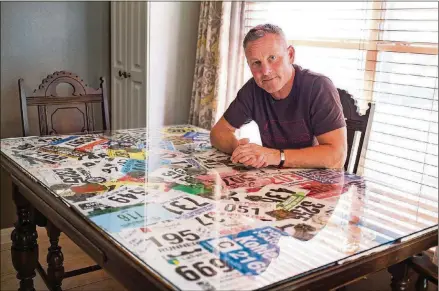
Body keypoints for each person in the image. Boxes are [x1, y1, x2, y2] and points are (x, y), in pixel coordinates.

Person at [210, 24, 347, 169]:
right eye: (256, 63)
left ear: (290, 55)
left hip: (318, 183)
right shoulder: (253, 89)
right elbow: (218, 133)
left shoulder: (318, 87)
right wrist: (242, 150)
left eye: (272, 58)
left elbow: (337, 156)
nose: (266, 71)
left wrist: (275, 156)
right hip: (276, 180)